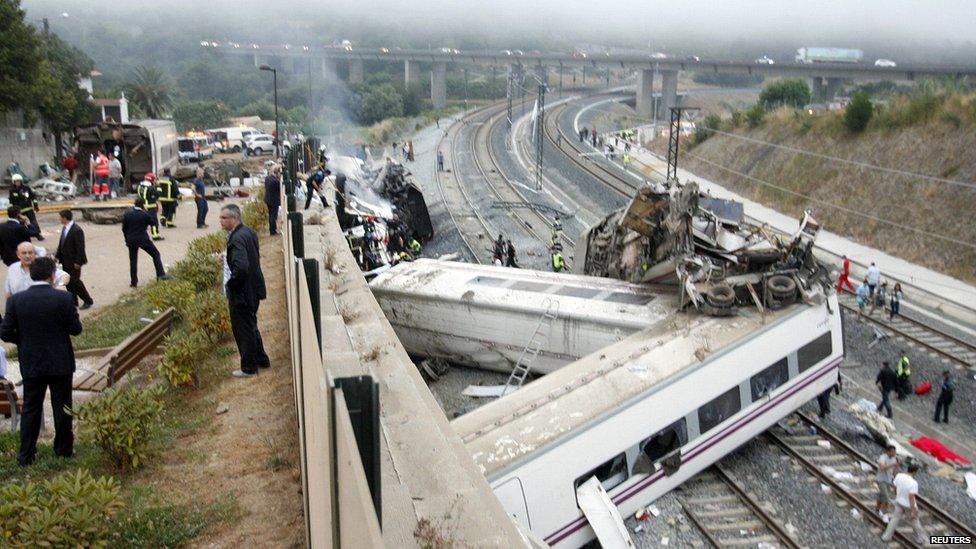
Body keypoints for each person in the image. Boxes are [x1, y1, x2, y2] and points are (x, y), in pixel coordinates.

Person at [0, 256, 82, 466]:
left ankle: (26, 453)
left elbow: (5, 332)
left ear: (31, 274)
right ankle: (63, 449)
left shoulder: (16, 300)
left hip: (31, 360)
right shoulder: (63, 298)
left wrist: (24, 340)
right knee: (62, 406)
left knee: (31, 408)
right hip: (60, 361)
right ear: (52, 275)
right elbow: (76, 329)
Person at [220, 205, 269, 378]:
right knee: (251, 324)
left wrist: (231, 284)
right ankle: (261, 359)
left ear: (234, 218)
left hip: (243, 293)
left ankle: (248, 367)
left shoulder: (236, 239)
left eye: (224, 218)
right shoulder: (248, 232)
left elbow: (241, 267)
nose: (221, 221)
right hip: (253, 288)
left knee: (243, 329)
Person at [122, 197, 167, 287]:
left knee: (133, 261)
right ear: (143, 205)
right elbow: (153, 223)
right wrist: (148, 213)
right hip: (143, 239)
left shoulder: (127, 214)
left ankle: (133, 282)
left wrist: (127, 238)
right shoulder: (144, 215)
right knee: (156, 254)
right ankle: (160, 275)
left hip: (131, 240)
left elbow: (124, 229)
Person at [55, 210, 93, 310]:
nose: (59, 219)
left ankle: (87, 300)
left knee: (75, 282)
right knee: (67, 281)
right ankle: (73, 301)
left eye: (60, 217)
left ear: (65, 218)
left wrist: (78, 262)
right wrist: (57, 255)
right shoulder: (65, 228)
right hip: (65, 260)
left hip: (74, 262)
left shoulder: (77, 230)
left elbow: (80, 247)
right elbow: (61, 244)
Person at [881, 464, 926, 544]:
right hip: (908, 505)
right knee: (914, 521)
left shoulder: (899, 476)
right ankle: (920, 538)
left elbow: (894, 487)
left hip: (899, 502)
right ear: (915, 472)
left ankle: (886, 536)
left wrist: (897, 495)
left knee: (894, 519)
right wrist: (913, 510)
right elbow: (911, 497)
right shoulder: (913, 483)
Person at [9, 174, 42, 240]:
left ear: (21, 181)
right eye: (16, 181)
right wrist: (12, 210)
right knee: (20, 224)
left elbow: (33, 197)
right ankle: (23, 237)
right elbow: (11, 201)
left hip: (28, 209)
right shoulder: (12, 190)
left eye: (19, 181)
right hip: (19, 210)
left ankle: (38, 235)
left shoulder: (26, 188)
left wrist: (35, 205)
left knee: (33, 222)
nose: (18, 182)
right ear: (13, 182)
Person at [136, 173, 163, 241]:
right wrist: (159, 187)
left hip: (142, 207)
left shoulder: (140, 186)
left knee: (142, 223)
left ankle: (140, 236)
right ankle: (155, 236)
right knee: (153, 222)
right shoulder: (151, 188)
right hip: (151, 208)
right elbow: (158, 195)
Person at [875, 445, 898, 518]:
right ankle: (884, 513)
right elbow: (882, 467)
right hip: (881, 480)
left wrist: (895, 479)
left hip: (888, 480)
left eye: (895, 452)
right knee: (887, 497)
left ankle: (877, 510)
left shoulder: (894, 459)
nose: (894, 453)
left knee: (881, 496)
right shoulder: (883, 457)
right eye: (893, 452)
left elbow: (893, 470)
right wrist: (892, 465)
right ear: (888, 451)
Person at [264, 165, 281, 236]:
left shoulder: (267, 178)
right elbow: (279, 188)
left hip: (267, 199)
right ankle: (273, 231)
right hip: (274, 200)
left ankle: (272, 229)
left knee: (271, 214)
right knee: (273, 216)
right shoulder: (275, 181)